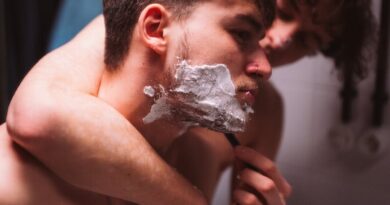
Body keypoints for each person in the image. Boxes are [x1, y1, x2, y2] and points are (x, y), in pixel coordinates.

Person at [3, 0, 376, 204]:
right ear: (154, 28)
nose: (280, 41)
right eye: (285, 13)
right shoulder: (156, 23)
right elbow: (40, 114)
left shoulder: (262, 112)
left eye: (306, 42)